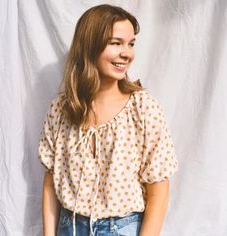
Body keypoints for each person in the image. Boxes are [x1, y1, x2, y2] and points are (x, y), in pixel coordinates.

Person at [38, 4, 178, 236]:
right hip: (69, 227)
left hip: (122, 229)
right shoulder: (61, 110)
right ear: (89, 45)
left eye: (131, 44)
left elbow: (159, 190)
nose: (127, 53)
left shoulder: (143, 108)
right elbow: (50, 183)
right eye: (116, 43)